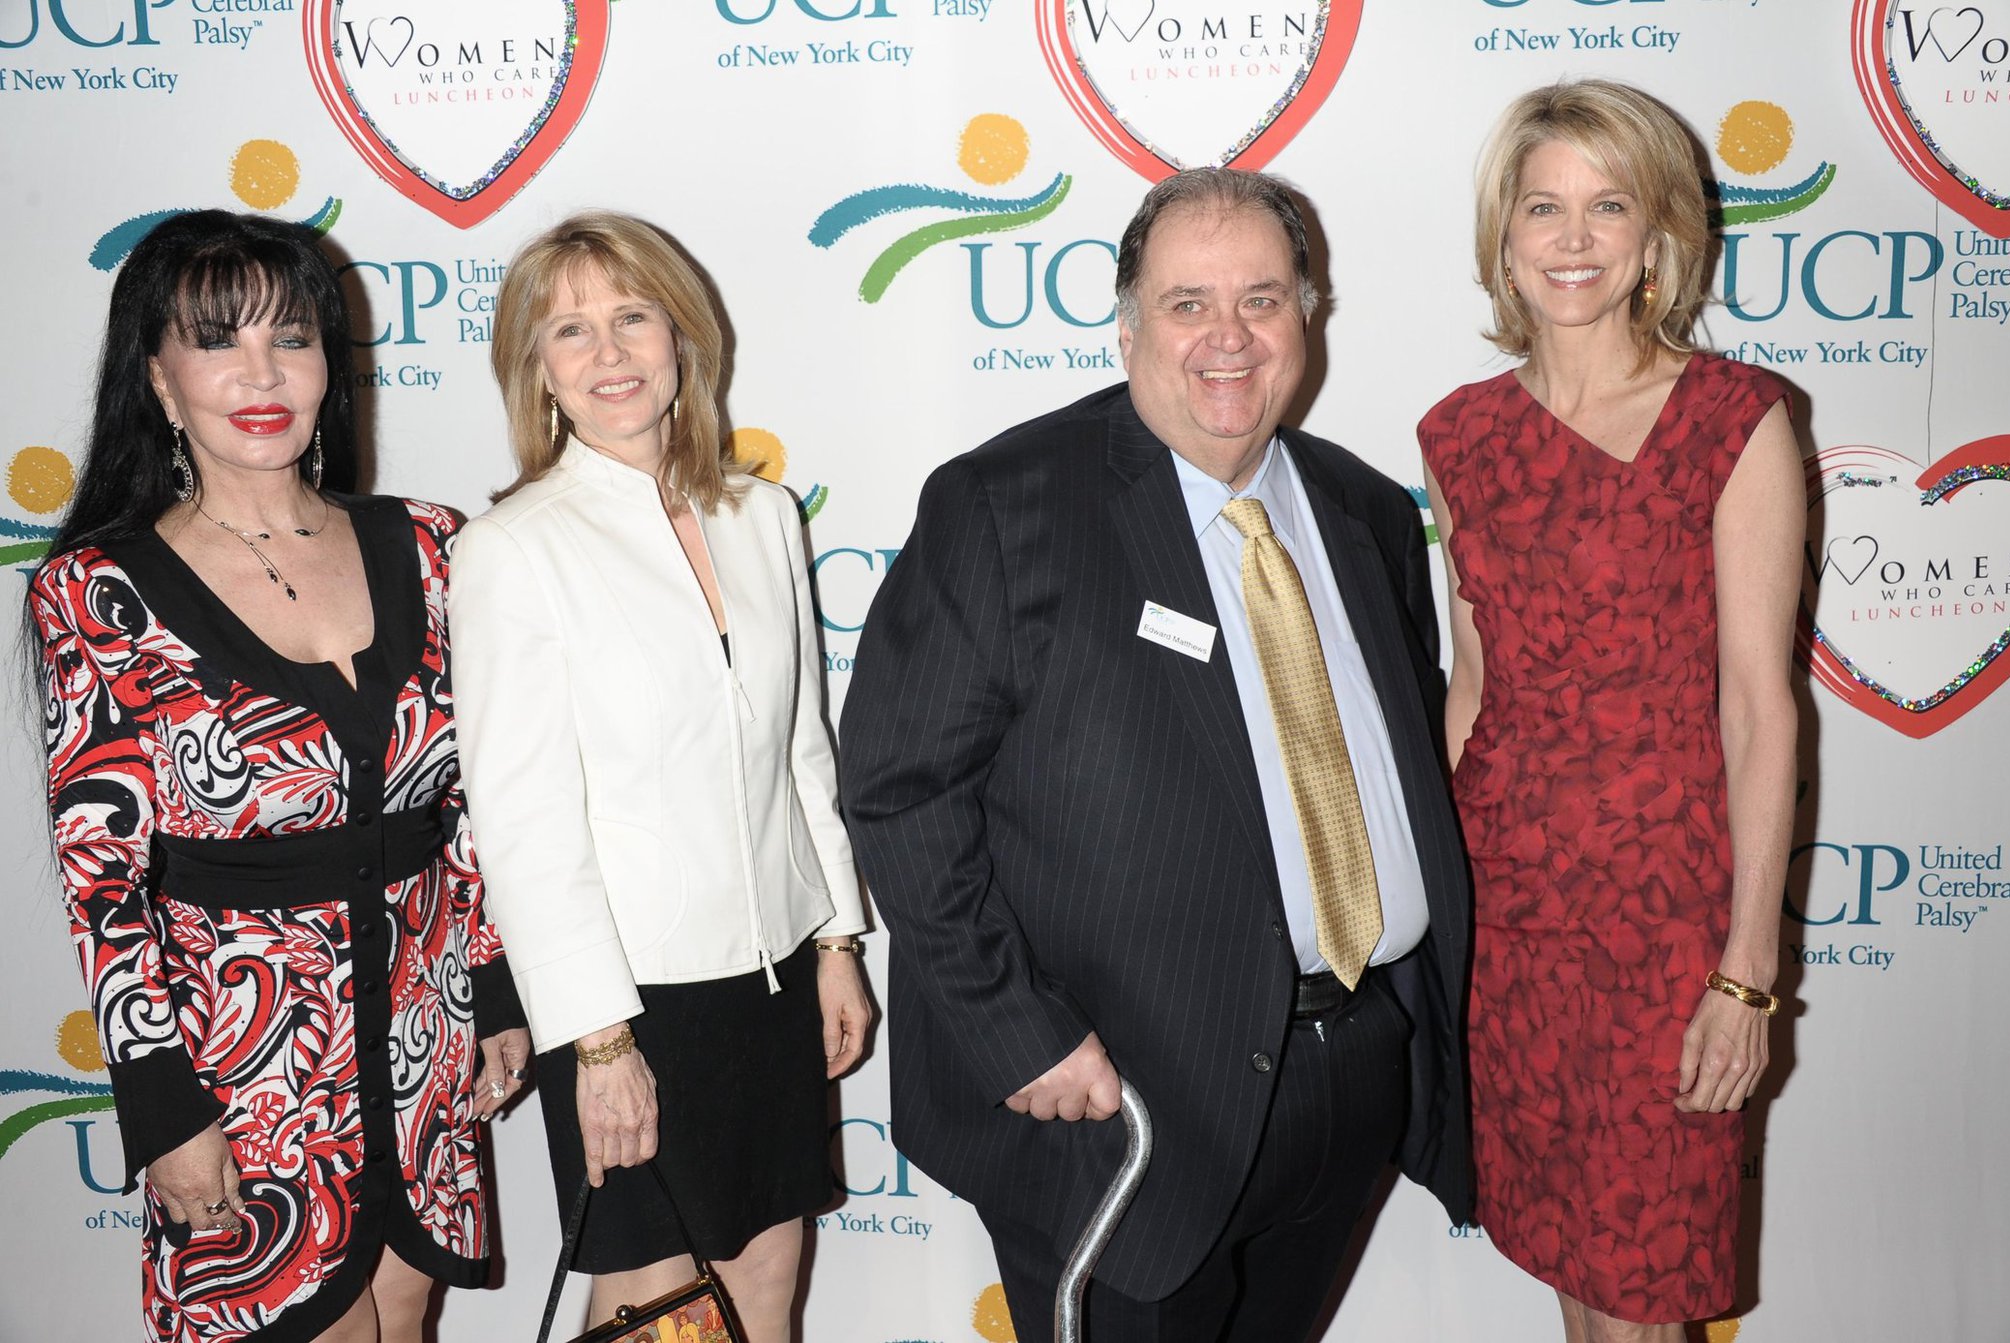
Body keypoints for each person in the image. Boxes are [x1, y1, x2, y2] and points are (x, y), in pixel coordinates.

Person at [840, 168, 1474, 1341]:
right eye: (1188, 304)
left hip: (1350, 1071)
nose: (1228, 336)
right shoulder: (1002, 506)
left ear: (1307, 318)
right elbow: (897, 790)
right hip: (1120, 1102)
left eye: (1262, 299)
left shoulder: (1366, 513)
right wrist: (1017, 1030)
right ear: (1127, 326)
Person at [28, 209, 532, 1343]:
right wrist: (163, 1105)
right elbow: (102, 882)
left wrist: (493, 986)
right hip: (242, 1073)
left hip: (421, 1038)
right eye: (217, 341)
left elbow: (473, 802)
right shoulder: (97, 591)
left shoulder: (431, 544)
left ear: (328, 366)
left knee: (404, 1320)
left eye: (291, 337)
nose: (261, 374)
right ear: (157, 377)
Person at [1419, 80, 1802, 1342]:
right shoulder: (1458, 435)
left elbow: (1757, 709)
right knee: (1575, 1269)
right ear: (1502, 235)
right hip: (1509, 914)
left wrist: (1746, 972)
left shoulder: (1732, 419)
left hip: (1663, 923)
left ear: (1655, 237)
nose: (1572, 238)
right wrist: (1436, 926)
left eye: (1606, 206)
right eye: (1542, 207)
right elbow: (1471, 687)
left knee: (1646, 1283)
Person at [447, 211, 872, 1343]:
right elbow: (524, 826)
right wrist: (597, 1043)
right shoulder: (512, 549)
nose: (610, 352)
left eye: (632, 316)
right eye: (570, 330)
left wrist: (836, 938)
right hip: (629, 1001)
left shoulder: (762, 515)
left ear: (683, 336)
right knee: (656, 1312)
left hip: (774, 976)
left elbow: (801, 748)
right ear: (537, 371)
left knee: (766, 1283)